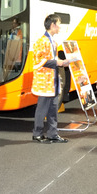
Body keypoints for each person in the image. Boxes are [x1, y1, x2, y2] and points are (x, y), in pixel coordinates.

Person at [32, 14, 73, 144]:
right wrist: (59, 63)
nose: (60, 27)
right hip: (44, 82)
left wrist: (63, 62)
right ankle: (37, 134)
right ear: (52, 25)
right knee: (42, 109)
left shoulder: (53, 42)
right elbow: (39, 61)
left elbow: (53, 60)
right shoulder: (42, 41)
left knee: (53, 109)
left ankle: (52, 134)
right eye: (59, 24)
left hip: (53, 81)